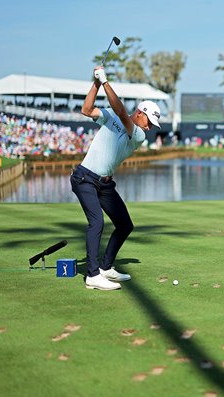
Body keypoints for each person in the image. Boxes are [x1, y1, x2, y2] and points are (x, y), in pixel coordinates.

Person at [71, 66, 161, 290]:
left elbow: (121, 112)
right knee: (97, 222)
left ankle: (105, 267)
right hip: (84, 178)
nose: (149, 128)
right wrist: (97, 83)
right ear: (139, 113)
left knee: (125, 224)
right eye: (149, 121)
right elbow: (86, 109)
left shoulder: (138, 135)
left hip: (104, 184)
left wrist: (105, 81)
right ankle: (92, 276)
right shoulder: (111, 118)